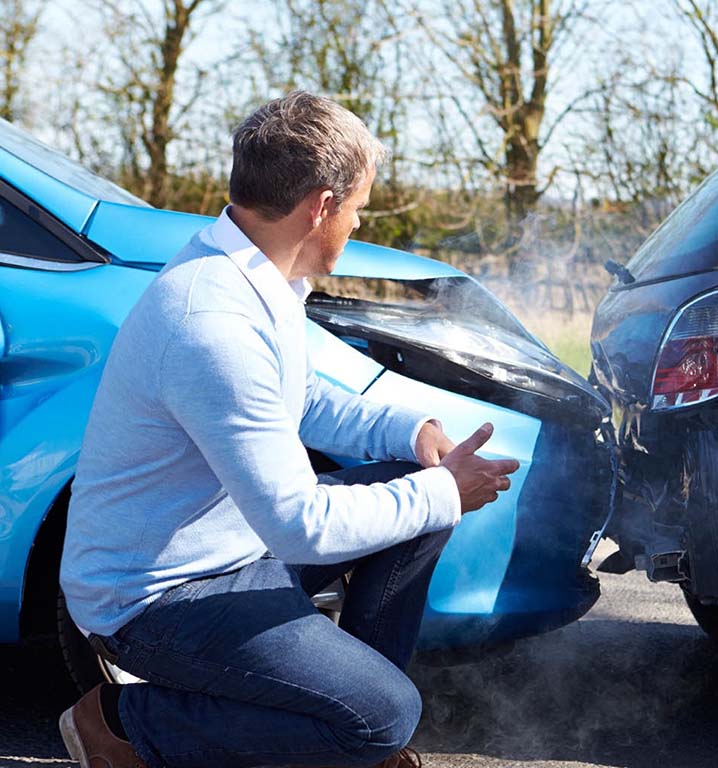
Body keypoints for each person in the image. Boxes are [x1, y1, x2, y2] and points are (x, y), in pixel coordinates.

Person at [57, 91, 519, 768]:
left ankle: (348, 719)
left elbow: (298, 399)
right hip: (156, 598)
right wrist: (448, 492)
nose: (357, 225)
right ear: (322, 206)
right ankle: (124, 725)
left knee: (415, 494)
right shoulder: (210, 322)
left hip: (229, 552)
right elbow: (298, 525)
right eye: (358, 208)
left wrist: (411, 431)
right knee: (386, 716)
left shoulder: (251, 275)